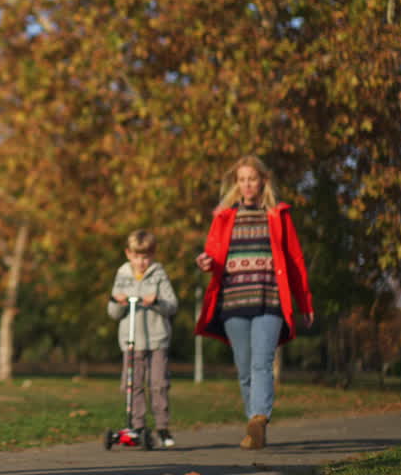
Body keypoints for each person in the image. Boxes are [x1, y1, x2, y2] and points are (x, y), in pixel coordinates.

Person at [194, 155, 314, 450]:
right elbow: (212, 255)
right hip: (234, 301)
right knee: (244, 366)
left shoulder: (278, 215)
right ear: (237, 184)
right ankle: (254, 427)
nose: (247, 184)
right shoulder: (223, 216)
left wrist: (305, 303)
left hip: (269, 300)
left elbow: (296, 262)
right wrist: (205, 262)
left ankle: (259, 418)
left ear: (263, 181)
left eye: (252, 178)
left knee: (262, 363)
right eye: (242, 179)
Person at [107, 229, 179, 448]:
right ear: (129, 254)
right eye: (137, 256)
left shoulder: (158, 274)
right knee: (133, 384)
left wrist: (156, 302)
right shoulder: (122, 275)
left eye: (146, 256)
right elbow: (113, 313)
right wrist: (116, 302)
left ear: (153, 254)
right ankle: (136, 425)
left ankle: (162, 426)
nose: (141, 261)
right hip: (132, 340)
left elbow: (172, 305)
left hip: (156, 339)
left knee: (158, 384)